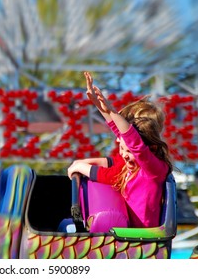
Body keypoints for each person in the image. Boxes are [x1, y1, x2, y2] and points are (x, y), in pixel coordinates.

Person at [68, 72, 173, 228]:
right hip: (126, 234)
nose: (124, 154)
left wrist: (111, 110)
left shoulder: (153, 170)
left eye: (129, 151)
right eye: (121, 149)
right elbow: (122, 137)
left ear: (151, 149)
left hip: (141, 240)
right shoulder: (129, 166)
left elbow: (134, 143)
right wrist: (98, 104)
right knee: (66, 225)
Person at [72, 95, 166, 185]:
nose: (118, 139)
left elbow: (134, 143)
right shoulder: (132, 162)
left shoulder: (151, 167)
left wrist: (81, 167)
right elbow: (121, 133)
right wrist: (100, 104)